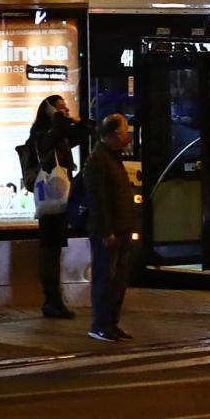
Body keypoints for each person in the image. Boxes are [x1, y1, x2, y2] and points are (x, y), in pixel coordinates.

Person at [27, 94, 86, 319]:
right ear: (49, 111)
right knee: (50, 249)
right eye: (60, 108)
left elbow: (82, 133)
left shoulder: (58, 133)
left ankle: (54, 299)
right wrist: (59, 118)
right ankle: (51, 300)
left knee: (54, 249)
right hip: (51, 199)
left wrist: (76, 120)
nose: (65, 110)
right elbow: (52, 139)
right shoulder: (41, 135)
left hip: (61, 197)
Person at [84, 113, 138, 343]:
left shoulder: (113, 157)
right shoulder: (98, 160)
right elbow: (98, 199)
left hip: (122, 228)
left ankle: (111, 323)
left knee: (118, 280)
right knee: (106, 279)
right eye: (126, 131)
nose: (128, 136)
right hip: (109, 231)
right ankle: (101, 325)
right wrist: (106, 230)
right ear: (115, 134)